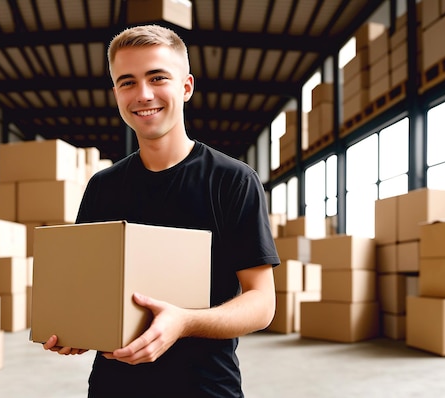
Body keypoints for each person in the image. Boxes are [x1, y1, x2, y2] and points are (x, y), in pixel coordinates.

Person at [43, 23, 280, 397]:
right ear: (116, 93)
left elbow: (262, 303)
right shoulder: (103, 187)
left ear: (185, 87)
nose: (143, 94)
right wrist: (74, 330)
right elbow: (88, 290)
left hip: (204, 387)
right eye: (127, 82)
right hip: (112, 387)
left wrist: (184, 323)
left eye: (157, 78)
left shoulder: (232, 180)